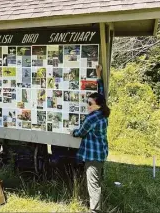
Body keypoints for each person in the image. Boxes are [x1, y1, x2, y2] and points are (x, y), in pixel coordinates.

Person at [71, 65, 110, 213]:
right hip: (101, 152)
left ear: (97, 105)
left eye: (89, 104)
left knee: (93, 183)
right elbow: (101, 94)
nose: (87, 105)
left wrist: (72, 132)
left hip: (92, 155)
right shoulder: (103, 112)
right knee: (97, 179)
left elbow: (80, 132)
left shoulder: (91, 118)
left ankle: (95, 210)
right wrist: (98, 76)